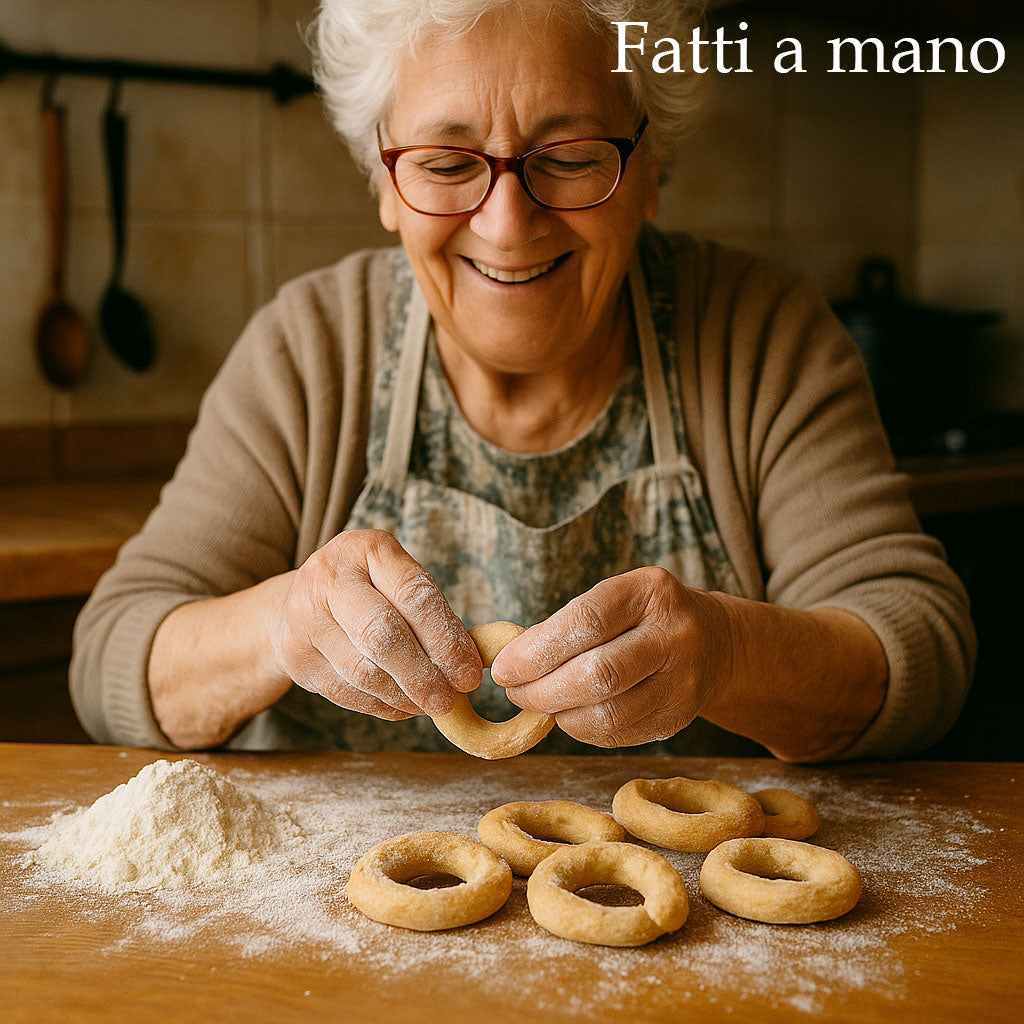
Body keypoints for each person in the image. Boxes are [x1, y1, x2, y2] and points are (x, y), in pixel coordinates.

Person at [70, 0, 974, 761]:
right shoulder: (311, 352)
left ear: (650, 170)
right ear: (384, 182)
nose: (506, 225)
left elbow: (918, 646)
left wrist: (733, 654)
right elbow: (115, 659)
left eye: (571, 157)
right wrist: (277, 629)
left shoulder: (759, 335)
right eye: (447, 164)